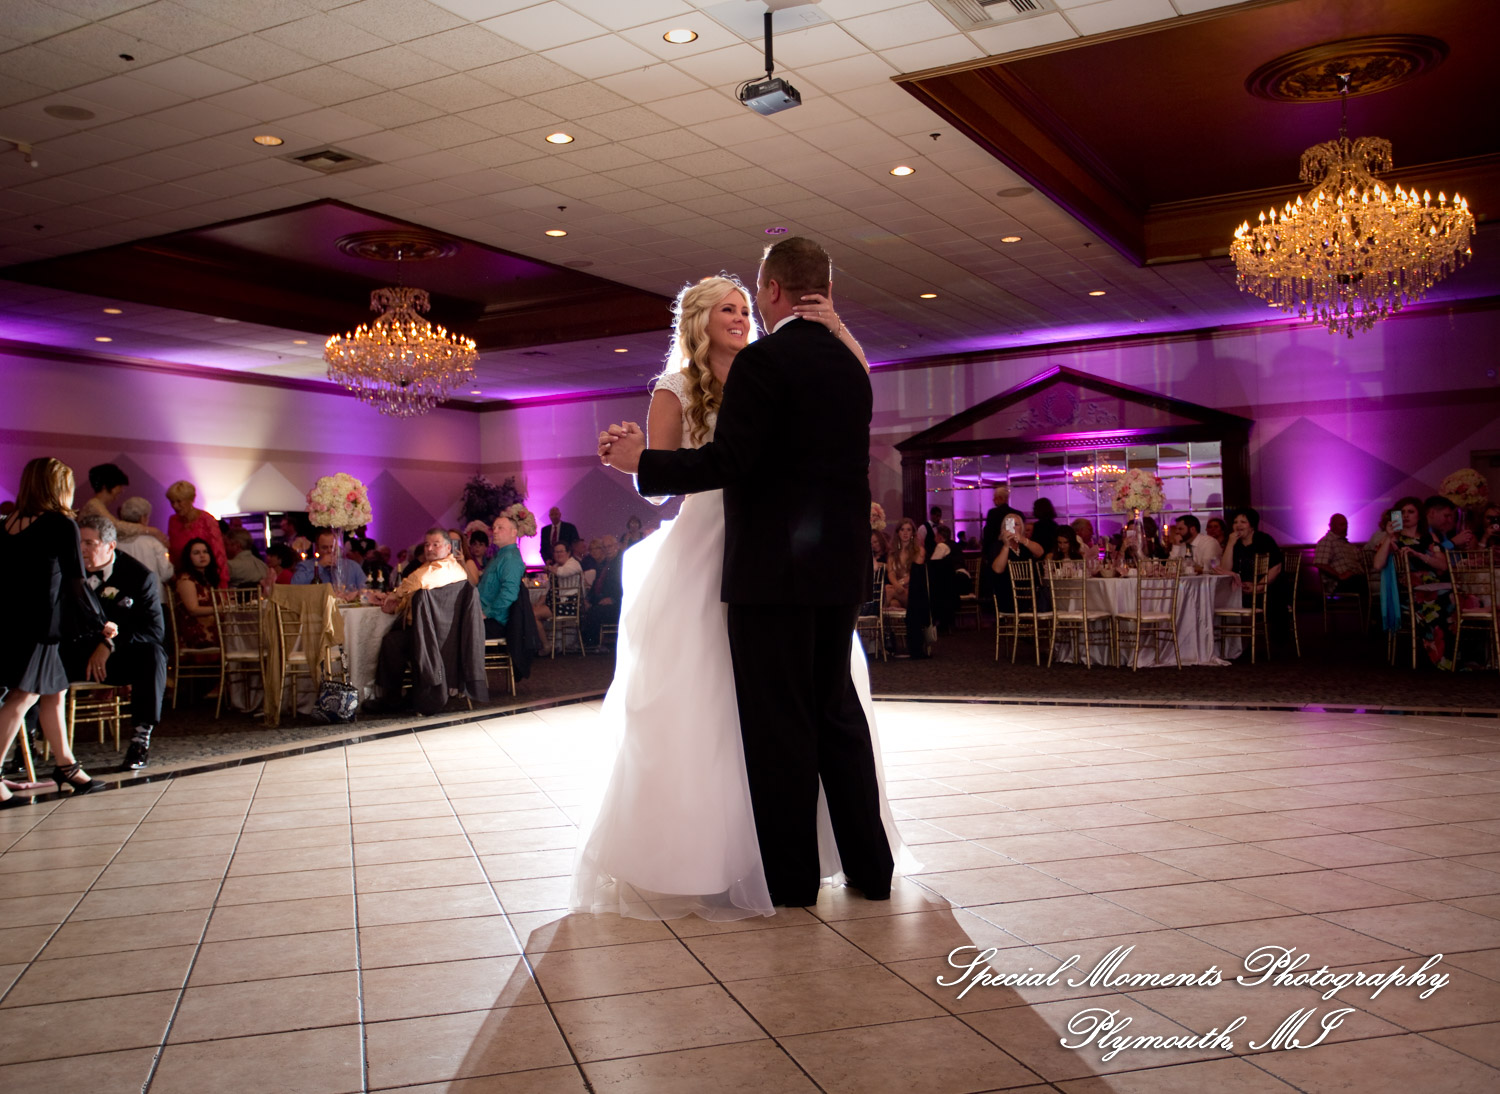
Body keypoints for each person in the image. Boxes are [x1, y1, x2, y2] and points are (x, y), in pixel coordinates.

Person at [594, 241, 905, 915]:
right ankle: (871, 870)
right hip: (839, 566)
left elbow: (731, 461)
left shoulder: (766, 362)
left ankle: (791, 883)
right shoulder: (853, 366)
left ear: (770, 292)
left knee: (780, 727)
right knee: (839, 716)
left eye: (749, 300)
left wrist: (639, 464)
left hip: (772, 571)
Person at [0, 458, 113, 801]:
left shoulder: (9, 524)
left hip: (12, 620)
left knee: (54, 691)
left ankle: (67, 767)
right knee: (23, 695)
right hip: (41, 625)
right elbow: (76, 582)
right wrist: (99, 623)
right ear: (58, 487)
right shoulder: (61, 525)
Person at [68, 515, 167, 771]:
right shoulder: (68, 572)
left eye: (90, 543)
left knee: (154, 654)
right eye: (79, 543)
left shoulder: (138, 576)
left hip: (117, 657)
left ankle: (140, 738)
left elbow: (154, 631)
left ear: (110, 546)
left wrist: (109, 644)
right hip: (75, 652)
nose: (82, 550)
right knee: (40, 652)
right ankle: (28, 743)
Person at [1374, 495, 1454, 668]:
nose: (1406, 515)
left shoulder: (1430, 538)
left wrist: (1420, 555)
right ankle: (1442, 659)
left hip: (1434, 585)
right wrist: (1389, 537)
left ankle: (1461, 655)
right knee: (1442, 598)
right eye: (1402, 512)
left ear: (1419, 515)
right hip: (1410, 591)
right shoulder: (1394, 540)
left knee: (1462, 599)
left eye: (1411, 511)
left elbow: (1443, 566)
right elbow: (1378, 564)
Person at [80, 463, 168, 546]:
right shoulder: (94, 506)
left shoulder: (96, 505)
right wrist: (150, 530)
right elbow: (116, 527)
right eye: (119, 486)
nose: (121, 490)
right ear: (106, 486)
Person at [165, 480, 228, 588]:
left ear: (191, 500)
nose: (175, 506)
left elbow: (219, 554)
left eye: (179, 501)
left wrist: (222, 583)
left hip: (205, 578)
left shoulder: (207, 520)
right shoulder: (173, 521)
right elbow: (173, 553)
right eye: (172, 502)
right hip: (181, 578)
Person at [1220, 506, 1283, 609]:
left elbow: (1276, 567)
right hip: (1238, 590)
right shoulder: (1233, 542)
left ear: (1252, 525)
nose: (1238, 525)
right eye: (1235, 522)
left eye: (1243, 522)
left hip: (1265, 589)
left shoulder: (1264, 540)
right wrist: (1230, 544)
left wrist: (1257, 587)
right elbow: (1225, 570)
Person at [477, 514, 525, 639]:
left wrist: (486, 613)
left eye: (500, 528)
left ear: (514, 532)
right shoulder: (499, 556)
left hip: (495, 620)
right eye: (494, 528)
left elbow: (509, 593)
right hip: (483, 614)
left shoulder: (510, 558)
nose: (495, 532)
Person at [115, 496, 175, 594]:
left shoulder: (114, 542)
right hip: (153, 595)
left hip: (124, 595)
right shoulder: (155, 541)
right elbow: (165, 574)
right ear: (143, 518)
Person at [174, 538, 221, 648]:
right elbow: (193, 610)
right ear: (189, 557)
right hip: (197, 632)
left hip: (213, 627)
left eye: (205, 552)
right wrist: (220, 608)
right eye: (196, 553)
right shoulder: (186, 580)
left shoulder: (207, 579)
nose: (202, 556)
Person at [581, 535, 622, 649]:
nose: (607, 549)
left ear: (617, 546)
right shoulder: (604, 564)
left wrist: (613, 599)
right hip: (602, 599)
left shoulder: (621, 562)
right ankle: (585, 642)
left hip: (617, 602)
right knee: (584, 607)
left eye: (610, 546)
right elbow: (596, 584)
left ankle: (592, 643)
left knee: (596, 612)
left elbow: (623, 585)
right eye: (605, 547)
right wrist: (588, 599)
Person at [291, 529, 366, 591]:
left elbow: (365, 588)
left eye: (332, 547)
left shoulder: (352, 566)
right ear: (317, 548)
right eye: (325, 547)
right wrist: (320, 565)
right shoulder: (306, 566)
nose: (330, 551)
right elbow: (295, 586)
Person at [1313, 513, 1364, 595]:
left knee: (1369, 581)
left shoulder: (1349, 545)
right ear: (1332, 526)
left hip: (1356, 578)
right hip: (1338, 583)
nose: (1345, 527)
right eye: (1342, 525)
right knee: (1364, 583)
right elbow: (1320, 563)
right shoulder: (1327, 541)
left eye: (1346, 524)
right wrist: (1339, 575)